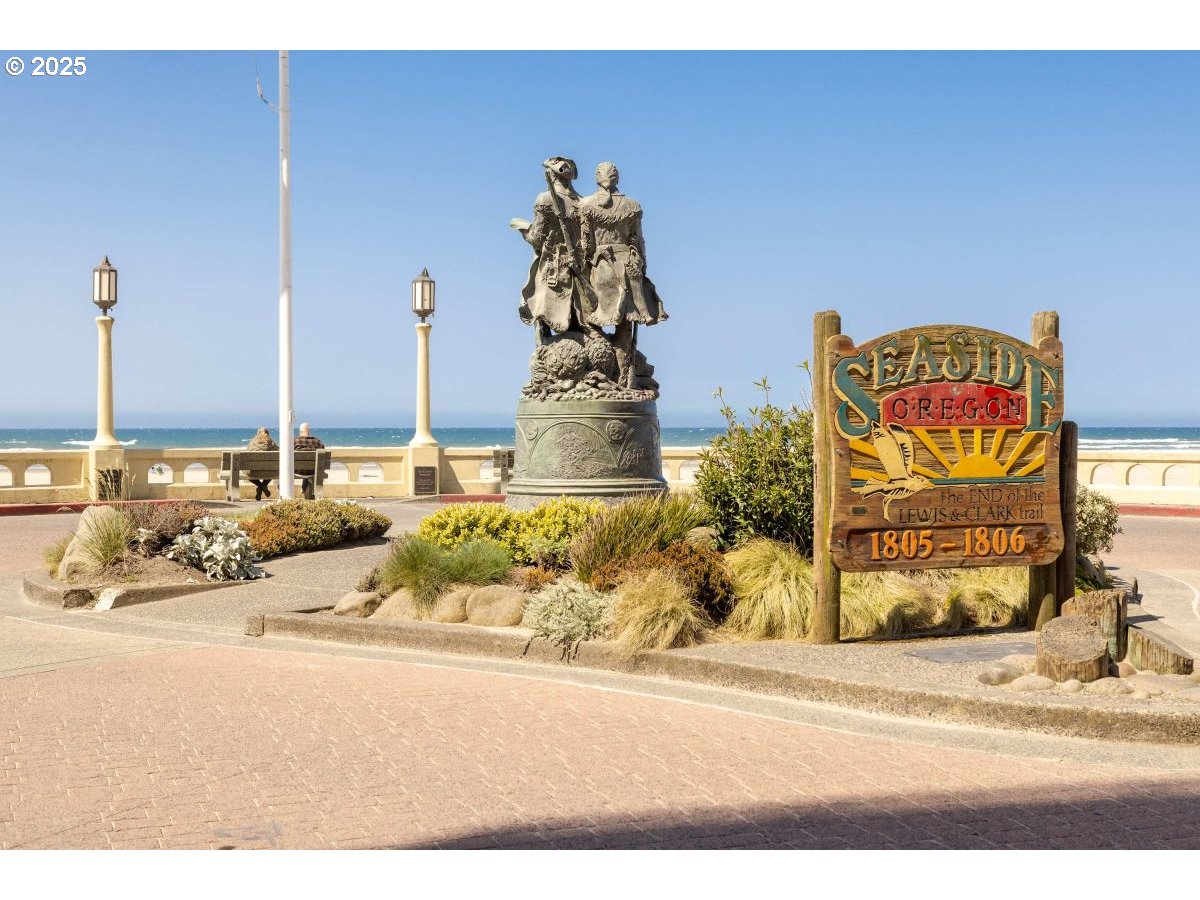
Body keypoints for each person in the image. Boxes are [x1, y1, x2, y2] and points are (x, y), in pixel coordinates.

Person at [577, 161, 668, 386]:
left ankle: (610, 372)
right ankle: (622, 376)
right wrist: (642, 267)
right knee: (626, 323)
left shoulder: (586, 205)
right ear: (616, 178)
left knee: (593, 318)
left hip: (602, 266)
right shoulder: (632, 205)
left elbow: (586, 243)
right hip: (628, 264)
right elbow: (637, 240)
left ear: (598, 178)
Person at [511, 156, 595, 345]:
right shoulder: (583, 202)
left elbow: (537, 238)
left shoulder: (545, 198)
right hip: (579, 267)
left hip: (552, 267)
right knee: (577, 318)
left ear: (550, 174)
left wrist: (524, 230)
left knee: (540, 314)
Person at [293, 422, 325, 498]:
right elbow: (323, 455)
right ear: (308, 431)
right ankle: (306, 489)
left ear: (300, 431)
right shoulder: (317, 442)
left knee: (303, 466)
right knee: (309, 467)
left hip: (297, 471)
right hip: (313, 471)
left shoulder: (294, 441)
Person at [246, 426, 278, 501]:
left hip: (253, 472)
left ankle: (260, 486)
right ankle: (263, 485)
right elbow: (279, 451)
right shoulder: (271, 443)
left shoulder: (252, 443)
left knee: (246, 472)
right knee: (273, 471)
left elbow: (247, 453)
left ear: (257, 434)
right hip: (268, 472)